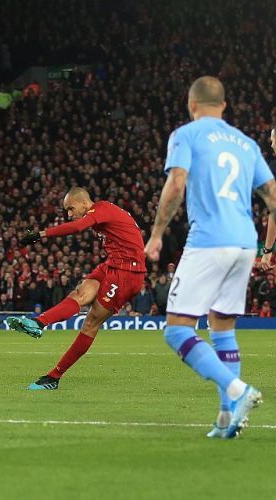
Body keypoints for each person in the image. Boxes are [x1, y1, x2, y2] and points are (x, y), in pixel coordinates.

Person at [145, 76, 273, 439]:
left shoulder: (187, 134)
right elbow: (274, 197)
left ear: (191, 104)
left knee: (176, 330)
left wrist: (156, 234)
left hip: (210, 240)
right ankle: (225, 417)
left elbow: (177, 182)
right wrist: (267, 247)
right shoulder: (246, 143)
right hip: (245, 242)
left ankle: (238, 391)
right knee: (222, 327)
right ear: (224, 106)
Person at [5, 186, 146, 390]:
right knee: (79, 294)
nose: (70, 214)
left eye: (71, 209)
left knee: (90, 323)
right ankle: (38, 322)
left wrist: (41, 234)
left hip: (128, 272)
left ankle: (54, 377)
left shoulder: (101, 209)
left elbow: (78, 227)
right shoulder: (105, 212)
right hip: (113, 264)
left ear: (84, 203)